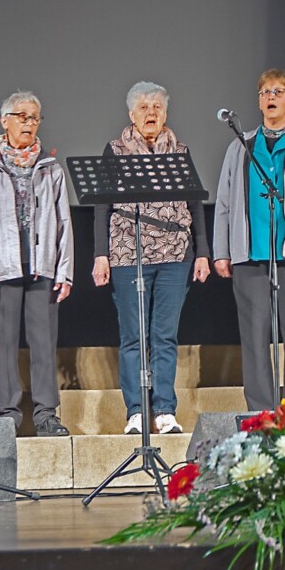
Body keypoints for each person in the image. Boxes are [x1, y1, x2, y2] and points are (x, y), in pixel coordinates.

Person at [93, 81, 210, 435]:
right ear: (131, 115)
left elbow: (195, 204)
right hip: (129, 254)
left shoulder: (180, 151)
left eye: (157, 107)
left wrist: (202, 253)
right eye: (144, 107)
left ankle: (164, 410)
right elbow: (102, 207)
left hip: (175, 254)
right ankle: (136, 411)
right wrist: (100, 255)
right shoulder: (115, 151)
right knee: (134, 336)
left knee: (164, 336)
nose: (151, 113)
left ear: (166, 114)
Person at [213, 69, 285, 411]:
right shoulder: (241, 146)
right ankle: (261, 412)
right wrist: (222, 251)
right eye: (265, 92)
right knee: (254, 338)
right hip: (250, 254)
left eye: (278, 92)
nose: (270, 97)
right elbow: (224, 201)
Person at [0, 91, 73, 436]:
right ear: (5, 120)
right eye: (22, 116)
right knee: (3, 344)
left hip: (43, 267)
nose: (29, 123)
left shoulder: (50, 166)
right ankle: (7, 414)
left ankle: (46, 414)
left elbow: (64, 221)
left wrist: (65, 271)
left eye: (35, 118)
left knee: (44, 343)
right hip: (2, 268)